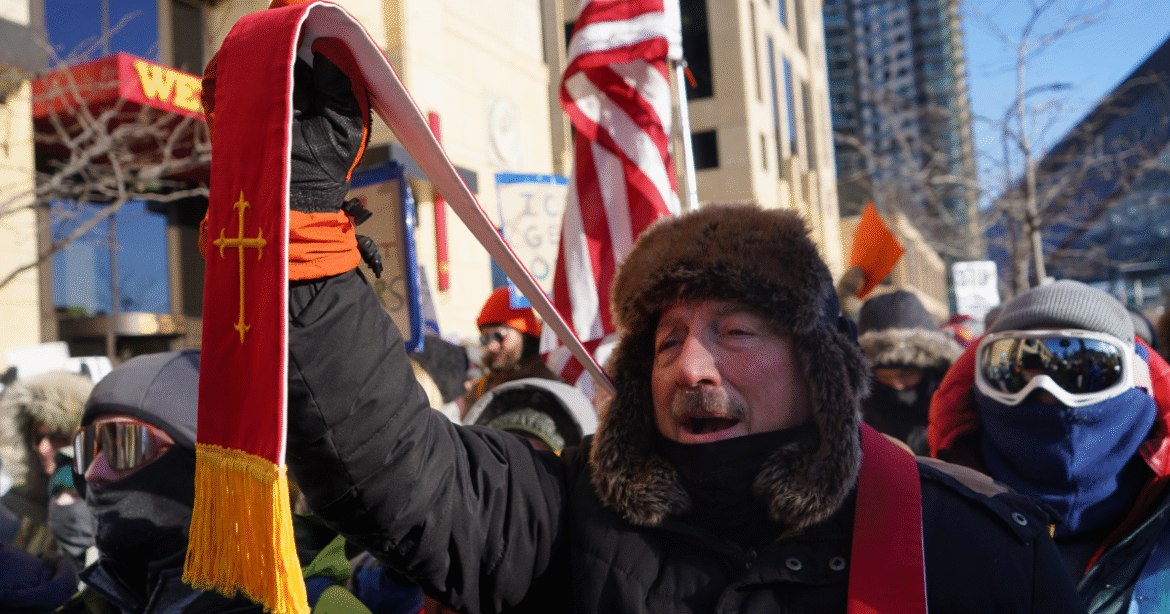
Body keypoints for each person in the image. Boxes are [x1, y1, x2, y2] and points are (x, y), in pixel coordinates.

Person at [267, 44, 1081, 612]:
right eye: (663, 340)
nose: (690, 366)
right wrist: (302, 206)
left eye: (735, 333)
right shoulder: (560, 516)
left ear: (817, 368)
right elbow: (390, 466)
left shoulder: (976, 554)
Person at [61, 350, 372, 614]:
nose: (93, 472)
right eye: (89, 447)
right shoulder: (93, 604)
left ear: (208, 465)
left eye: (124, 445)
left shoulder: (309, 604)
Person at [930, 280, 1170, 613]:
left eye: (1083, 372)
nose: (1047, 393)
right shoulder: (927, 516)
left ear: (1136, 379)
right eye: (1017, 372)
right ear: (979, 382)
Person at [0, 370, 95, 566]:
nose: (43, 448)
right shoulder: (13, 505)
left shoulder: (108, 502)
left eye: (57, 436)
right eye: (37, 438)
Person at [855, 290, 962, 455]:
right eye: (885, 377)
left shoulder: (954, 407)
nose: (897, 385)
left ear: (929, 369)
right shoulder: (862, 408)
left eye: (906, 374)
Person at [461, 287, 561, 411]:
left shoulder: (549, 381)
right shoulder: (480, 389)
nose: (491, 346)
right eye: (485, 338)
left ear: (524, 335)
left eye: (499, 336)